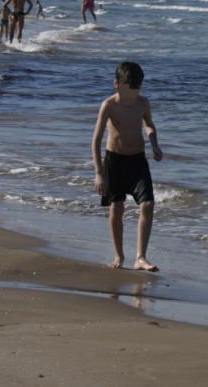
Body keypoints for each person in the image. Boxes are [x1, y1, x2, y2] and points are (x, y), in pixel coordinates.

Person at [91, 61, 164, 271]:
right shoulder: (109, 105)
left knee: (148, 205)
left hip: (138, 160)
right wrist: (99, 173)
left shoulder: (142, 103)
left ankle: (140, 257)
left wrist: (154, 144)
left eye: (136, 88)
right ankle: (119, 255)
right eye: (128, 88)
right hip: (114, 160)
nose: (133, 93)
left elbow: (148, 124)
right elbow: (95, 141)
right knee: (117, 207)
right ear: (116, 84)